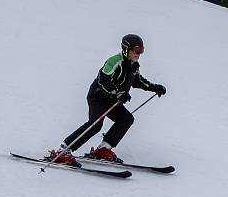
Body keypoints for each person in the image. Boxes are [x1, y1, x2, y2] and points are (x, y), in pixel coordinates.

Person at [49, 34, 166, 164]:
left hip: (112, 99)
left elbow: (138, 81)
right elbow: (103, 80)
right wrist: (117, 93)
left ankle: (103, 149)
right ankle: (62, 151)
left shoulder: (133, 65)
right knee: (95, 125)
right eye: (136, 50)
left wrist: (155, 88)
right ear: (127, 49)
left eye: (141, 50)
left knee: (126, 119)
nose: (139, 54)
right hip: (98, 96)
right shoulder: (114, 61)